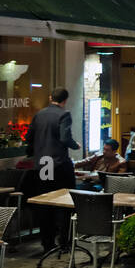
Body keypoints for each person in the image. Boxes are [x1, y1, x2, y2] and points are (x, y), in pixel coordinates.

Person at [26, 87, 80, 253]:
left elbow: (29, 137)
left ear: (50, 98)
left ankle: (47, 243)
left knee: (46, 201)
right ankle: (64, 242)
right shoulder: (64, 114)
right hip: (58, 164)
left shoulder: (39, 114)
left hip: (44, 163)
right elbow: (65, 138)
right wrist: (75, 145)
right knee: (66, 202)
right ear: (64, 101)